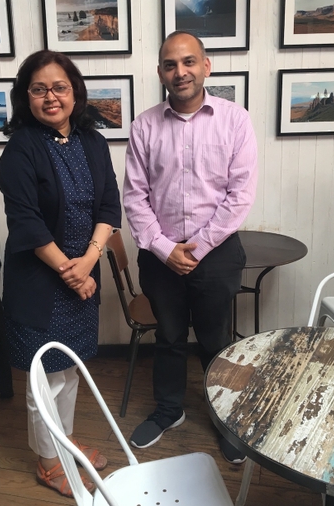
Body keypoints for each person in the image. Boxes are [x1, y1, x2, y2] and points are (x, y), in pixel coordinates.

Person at [123, 31, 258, 463]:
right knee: (169, 337)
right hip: (160, 257)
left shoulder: (235, 120)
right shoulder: (144, 126)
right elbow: (135, 197)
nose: (179, 72)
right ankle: (169, 411)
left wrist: (197, 248)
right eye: (170, 64)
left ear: (206, 66)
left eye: (188, 62)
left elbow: (240, 195)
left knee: (216, 339)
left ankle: (227, 419)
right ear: (160, 72)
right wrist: (165, 249)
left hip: (216, 254)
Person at [0, 49, 121, 497]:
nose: (50, 97)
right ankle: (48, 463)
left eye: (59, 87)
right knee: (43, 379)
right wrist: (73, 272)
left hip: (82, 277)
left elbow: (109, 207)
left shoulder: (93, 142)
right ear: (25, 97)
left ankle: (63, 440)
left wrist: (88, 263)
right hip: (40, 285)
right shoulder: (20, 150)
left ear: (75, 93)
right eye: (39, 89)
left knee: (68, 371)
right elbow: (26, 223)